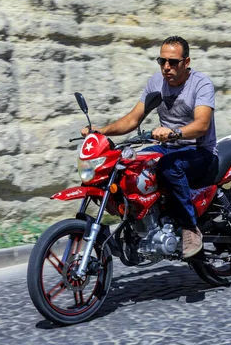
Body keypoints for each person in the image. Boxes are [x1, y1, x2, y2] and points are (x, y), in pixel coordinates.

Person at [81, 36, 218, 258]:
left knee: (169, 167)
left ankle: (190, 228)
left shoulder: (201, 83)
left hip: (200, 152)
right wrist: (101, 132)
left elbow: (202, 124)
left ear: (187, 62)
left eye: (173, 62)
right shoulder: (156, 83)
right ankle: (133, 227)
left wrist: (174, 133)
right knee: (126, 166)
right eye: (162, 61)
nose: (166, 67)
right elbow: (133, 119)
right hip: (167, 148)